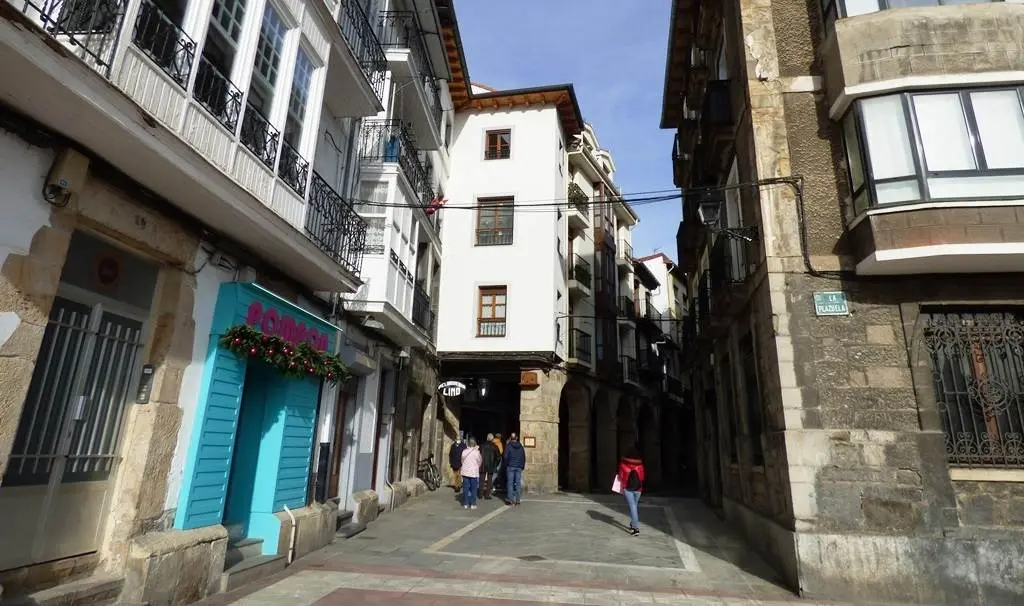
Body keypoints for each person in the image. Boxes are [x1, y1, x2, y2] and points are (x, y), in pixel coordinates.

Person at [618, 446, 646, 536]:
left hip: (628, 489)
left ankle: (635, 528)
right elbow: (642, 477)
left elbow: (620, 477)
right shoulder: (640, 465)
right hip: (638, 489)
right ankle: (632, 523)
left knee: (632, 507)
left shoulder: (623, 465)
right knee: (633, 506)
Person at [503, 433, 526, 506]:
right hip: (518, 467)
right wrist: (522, 466)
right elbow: (523, 457)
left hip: (510, 466)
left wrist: (506, 464)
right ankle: (518, 500)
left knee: (510, 483)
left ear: (511, 438)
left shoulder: (508, 446)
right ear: (516, 438)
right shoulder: (521, 446)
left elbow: (505, 457)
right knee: (518, 483)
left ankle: (510, 500)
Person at [460, 437, 483, 510]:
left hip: (465, 472)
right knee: (474, 488)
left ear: (468, 444)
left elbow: (462, 461)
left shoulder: (464, 451)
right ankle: (473, 503)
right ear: (474, 444)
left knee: (465, 488)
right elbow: (480, 461)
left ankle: (465, 503)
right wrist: (476, 466)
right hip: (473, 472)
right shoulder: (477, 452)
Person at [480, 433, 500, 499]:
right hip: (491, 465)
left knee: (482, 480)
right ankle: (487, 495)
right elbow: (498, 457)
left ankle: (480, 494)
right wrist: (495, 464)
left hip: (482, 464)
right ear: (492, 439)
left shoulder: (482, 446)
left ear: (487, 438)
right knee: (489, 480)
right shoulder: (495, 446)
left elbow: (478, 455)